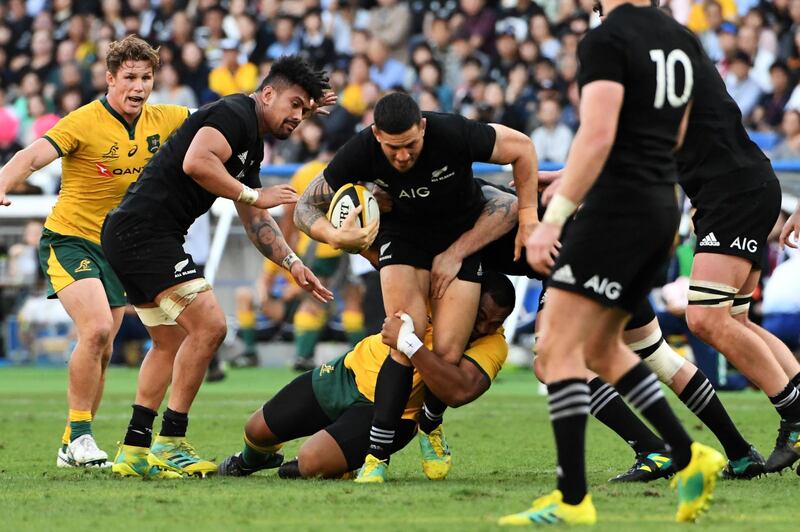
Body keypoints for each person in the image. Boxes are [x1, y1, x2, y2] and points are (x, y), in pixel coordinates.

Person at [501, 1, 724, 525]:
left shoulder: (606, 38)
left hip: (616, 209)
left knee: (555, 345)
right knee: (601, 347)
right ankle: (689, 455)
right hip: (659, 206)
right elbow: (675, 135)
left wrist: (553, 219)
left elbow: (597, 135)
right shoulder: (683, 40)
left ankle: (573, 500)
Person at [102, 56, 335, 479]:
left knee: (169, 342)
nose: (298, 117)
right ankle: (171, 441)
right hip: (145, 233)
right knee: (210, 326)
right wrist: (251, 194)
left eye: (305, 109)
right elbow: (197, 161)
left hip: (132, 234)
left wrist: (293, 263)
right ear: (267, 94)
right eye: (293, 104)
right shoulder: (234, 112)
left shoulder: (251, 139)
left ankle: (134, 448)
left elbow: (256, 220)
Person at [293, 92, 538, 482]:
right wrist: (335, 236)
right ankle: (376, 460)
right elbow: (305, 208)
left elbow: (523, 148)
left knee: (447, 350)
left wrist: (528, 220)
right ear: (376, 135)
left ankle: (430, 422)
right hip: (403, 237)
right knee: (403, 331)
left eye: (410, 145)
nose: (403, 156)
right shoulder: (360, 149)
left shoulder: (453, 132)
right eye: (393, 148)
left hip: (461, 237)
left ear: (423, 127)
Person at [0, 35, 190, 469]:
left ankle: (72, 441)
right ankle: (82, 436)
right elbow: (30, 158)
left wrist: (275, 104)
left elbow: (222, 118)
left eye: (146, 77)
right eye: (129, 78)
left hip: (119, 248)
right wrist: (2, 182)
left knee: (102, 347)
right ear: (110, 78)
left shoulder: (166, 119)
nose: (138, 87)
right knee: (99, 329)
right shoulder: (82, 122)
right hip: (70, 240)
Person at [216, 271, 514, 480]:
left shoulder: (493, 344)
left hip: (395, 413)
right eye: (480, 315)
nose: (485, 327)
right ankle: (248, 462)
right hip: (348, 372)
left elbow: (460, 392)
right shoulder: (433, 292)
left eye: (496, 322)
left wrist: (409, 344)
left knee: (310, 462)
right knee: (256, 429)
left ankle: (341, 463)